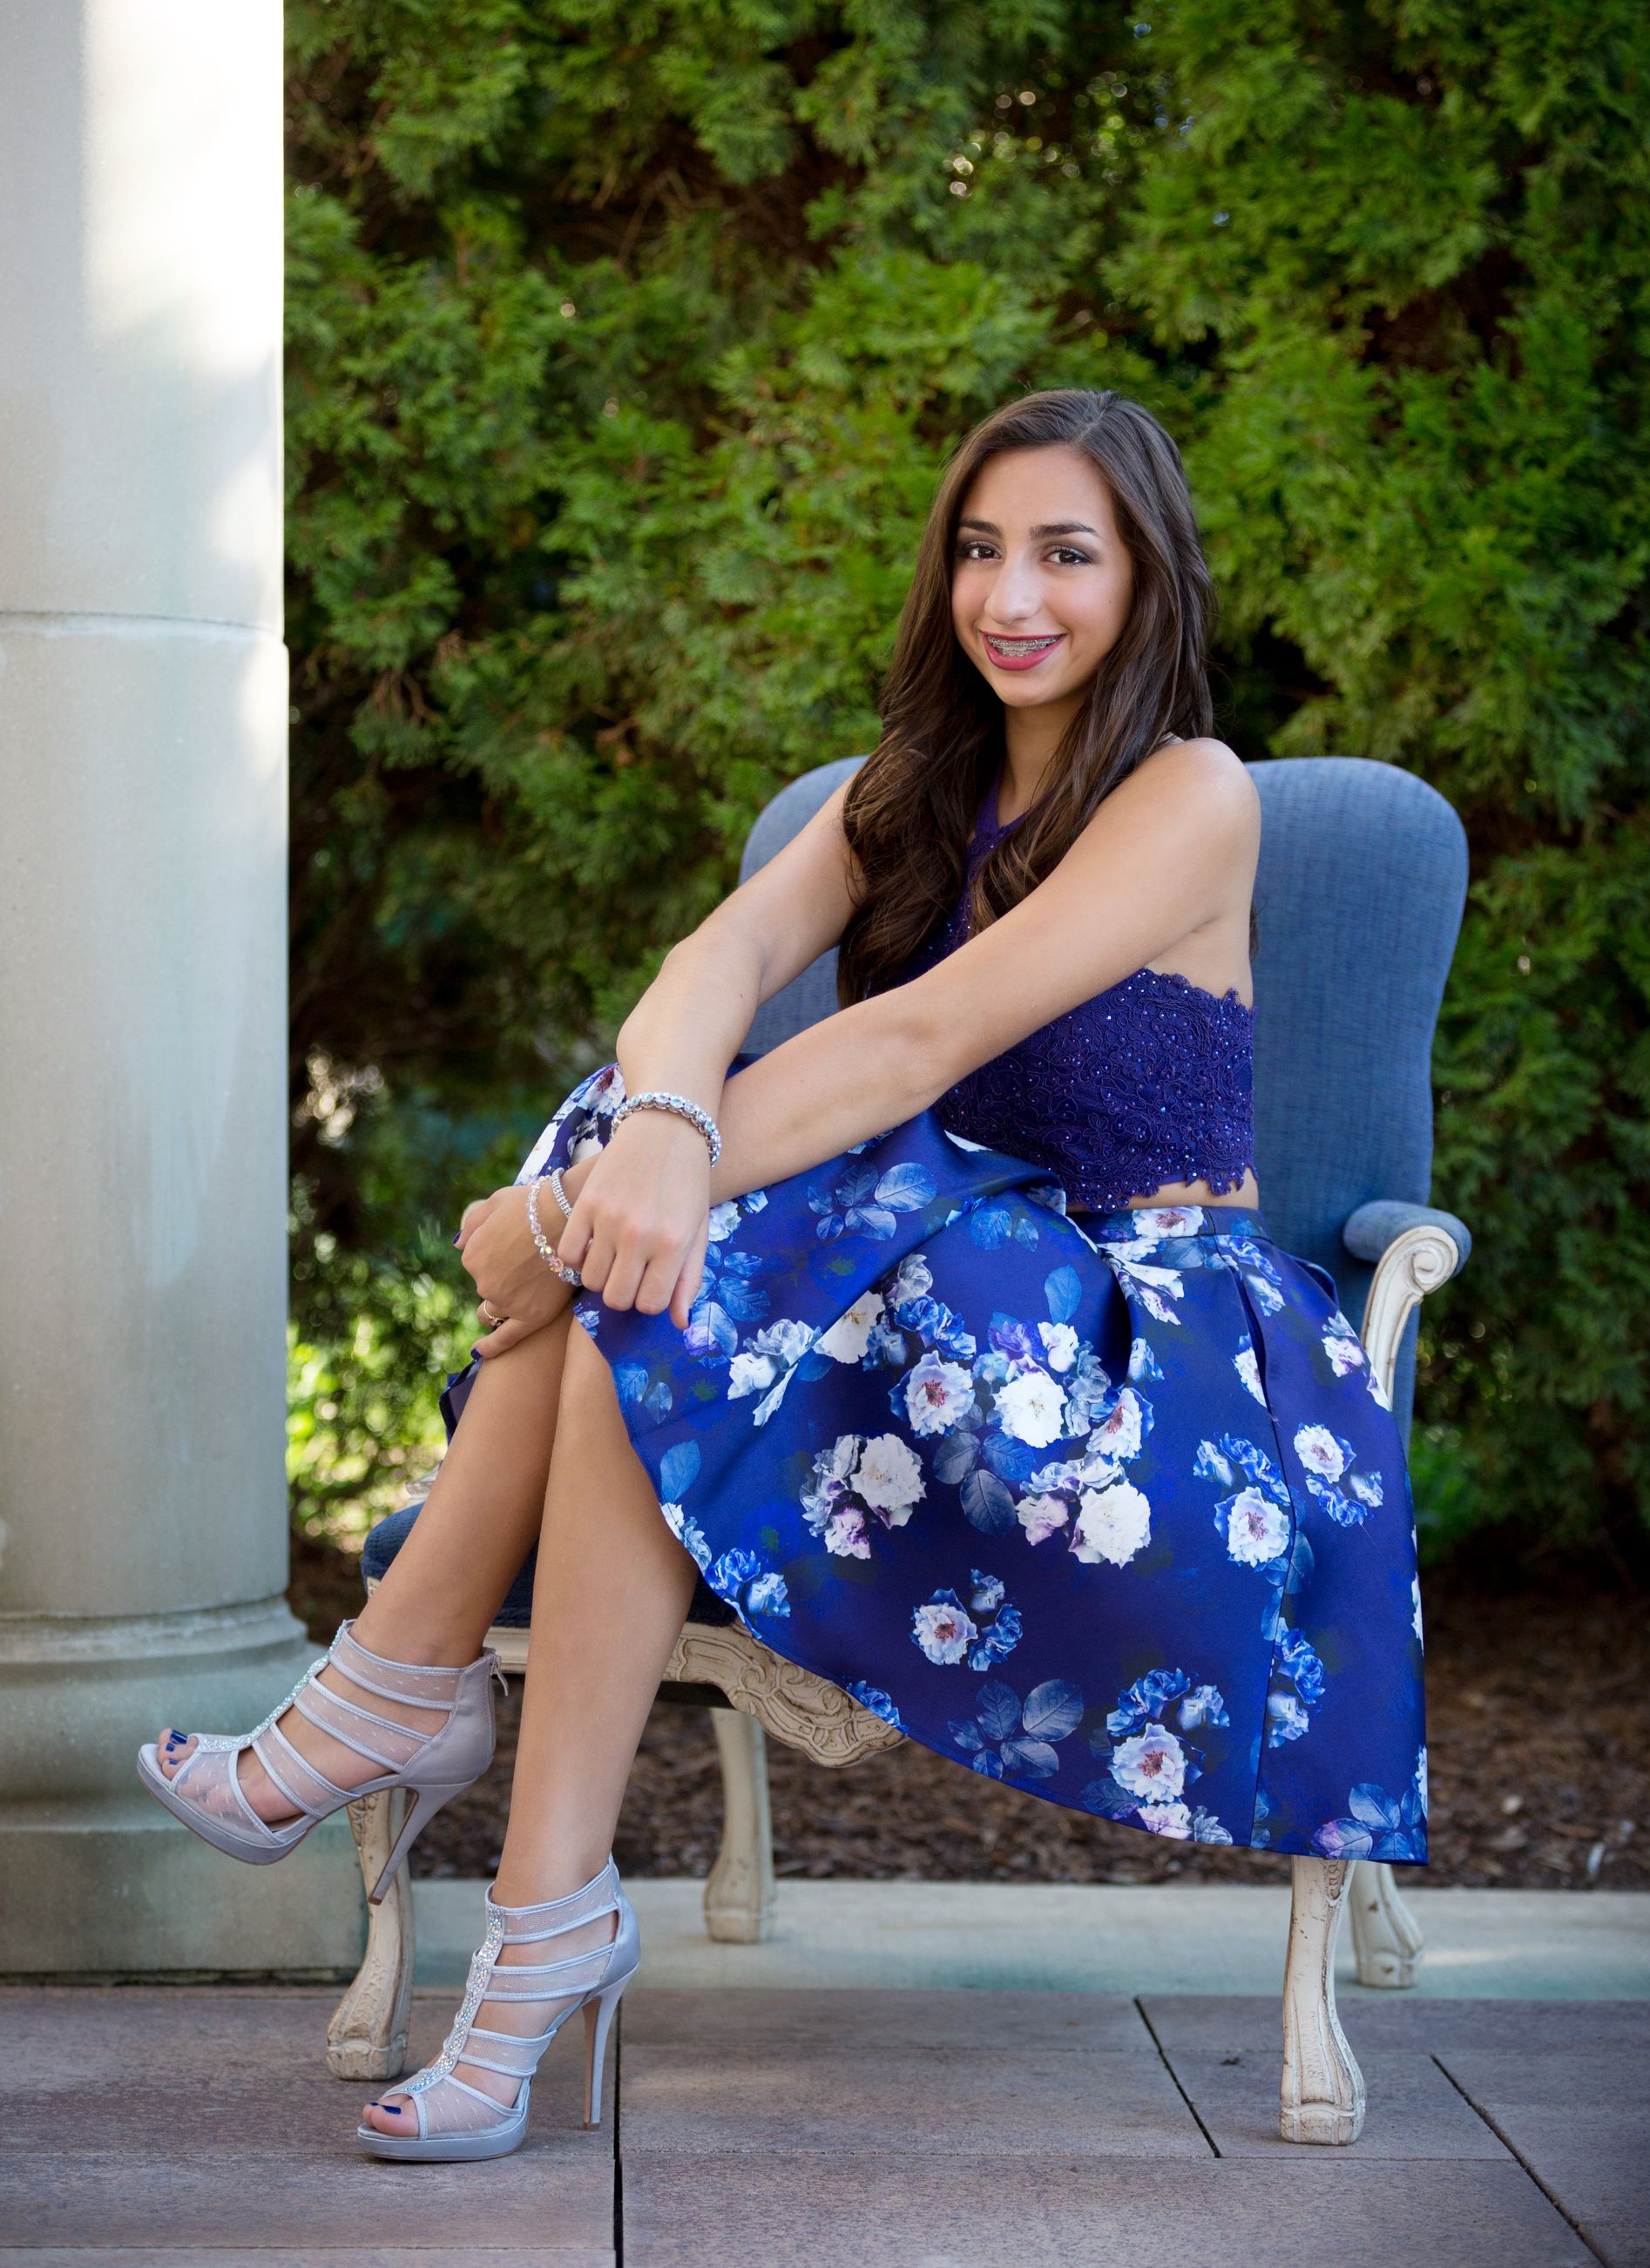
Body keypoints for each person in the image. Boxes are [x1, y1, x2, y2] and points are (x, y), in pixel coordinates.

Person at [139, 389, 1425, 2163]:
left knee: (678, 1231)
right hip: (956, 1295)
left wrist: (573, 1204)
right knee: (664, 1228)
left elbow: (919, 1040)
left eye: (1067, 551)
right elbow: (714, 956)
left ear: (1146, 578)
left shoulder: (1190, 796)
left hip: (1149, 1354)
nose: (1013, 594)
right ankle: (528, 1899)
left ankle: (400, 1710)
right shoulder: (916, 786)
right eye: (981, 549)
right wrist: (641, 1144)